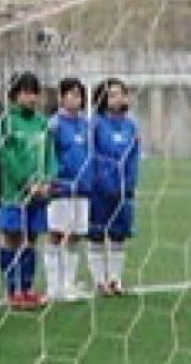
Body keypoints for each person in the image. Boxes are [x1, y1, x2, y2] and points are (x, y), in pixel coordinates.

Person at [0, 70, 54, 309]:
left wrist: (48, 180)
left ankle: (27, 289)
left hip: (39, 192)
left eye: (34, 93)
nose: (31, 98)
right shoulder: (6, 121)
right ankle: (11, 291)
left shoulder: (43, 123)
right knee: (12, 238)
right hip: (14, 193)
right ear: (14, 95)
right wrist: (26, 182)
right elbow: (5, 155)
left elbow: (51, 155)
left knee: (31, 239)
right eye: (26, 93)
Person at [89, 77, 141, 296]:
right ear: (102, 98)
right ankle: (99, 281)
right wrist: (99, 181)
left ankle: (115, 279)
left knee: (119, 234)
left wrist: (129, 182)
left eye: (121, 93)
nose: (118, 98)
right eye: (112, 94)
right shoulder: (95, 124)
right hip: (100, 189)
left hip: (123, 189)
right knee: (97, 234)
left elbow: (135, 157)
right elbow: (91, 156)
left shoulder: (131, 126)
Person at [46, 76, 93, 302]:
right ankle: (54, 286)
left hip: (82, 189)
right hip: (61, 189)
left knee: (74, 236)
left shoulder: (86, 124)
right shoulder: (54, 125)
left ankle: (68, 284)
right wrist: (57, 179)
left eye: (79, 94)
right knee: (56, 235)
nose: (76, 99)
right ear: (61, 97)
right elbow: (49, 156)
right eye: (71, 94)